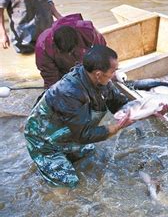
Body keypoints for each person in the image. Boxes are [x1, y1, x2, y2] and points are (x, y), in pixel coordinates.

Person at [24, 45, 133, 188]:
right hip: (44, 141)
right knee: (69, 184)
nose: (114, 75)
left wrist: (147, 109)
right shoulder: (69, 91)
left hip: (68, 133)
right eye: (113, 71)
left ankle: (56, 163)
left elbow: (119, 103)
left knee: (92, 155)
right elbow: (82, 135)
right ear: (98, 74)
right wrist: (112, 129)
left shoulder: (102, 82)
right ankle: (44, 169)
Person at [35, 13, 106, 88]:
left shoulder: (87, 31)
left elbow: (101, 52)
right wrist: (54, 91)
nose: (69, 54)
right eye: (65, 52)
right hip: (64, 73)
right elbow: (49, 74)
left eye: (71, 51)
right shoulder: (43, 45)